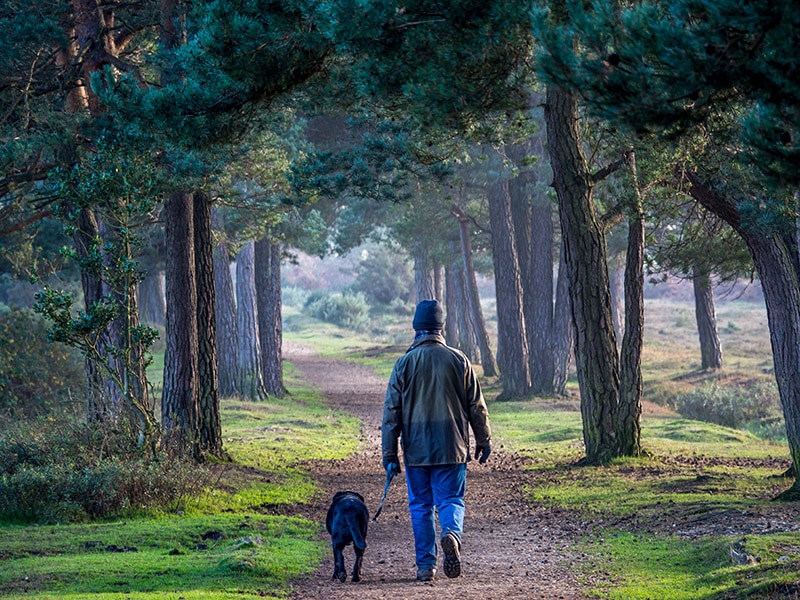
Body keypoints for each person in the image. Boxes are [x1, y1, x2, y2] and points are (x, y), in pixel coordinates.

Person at [382, 298, 492, 582]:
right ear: (441, 328)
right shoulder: (459, 360)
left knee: (420, 506)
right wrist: (483, 439)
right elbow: (477, 407)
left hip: (416, 450)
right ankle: (451, 533)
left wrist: (389, 455)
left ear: (416, 328)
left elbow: (391, 413)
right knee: (451, 498)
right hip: (452, 447)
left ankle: (425, 566)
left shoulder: (404, 363)